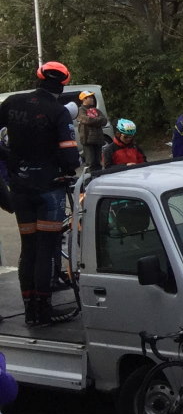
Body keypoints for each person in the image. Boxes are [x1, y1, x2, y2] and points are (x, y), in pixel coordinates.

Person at [0, 62, 81, 326]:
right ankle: (44, 311)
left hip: (20, 187)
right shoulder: (58, 111)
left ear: (38, 79)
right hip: (49, 187)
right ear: (63, 85)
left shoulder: (12, 103)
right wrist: (67, 167)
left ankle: (30, 311)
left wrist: (9, 158)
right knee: (46, 248)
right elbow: (70, 157)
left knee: (29, 248)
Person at [74, 91, 107, 174]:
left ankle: (99, 177)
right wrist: (98, 120)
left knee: (98, 162)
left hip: (98, 139)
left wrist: (94, 121)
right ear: (84, 99)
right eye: (90, 97)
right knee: (90, 163)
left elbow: (104, 120)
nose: (92, 99)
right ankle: (89, 179)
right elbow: (86, 120)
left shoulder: (96, 110)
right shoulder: (80, 110)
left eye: (92, 97)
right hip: (87, 140)